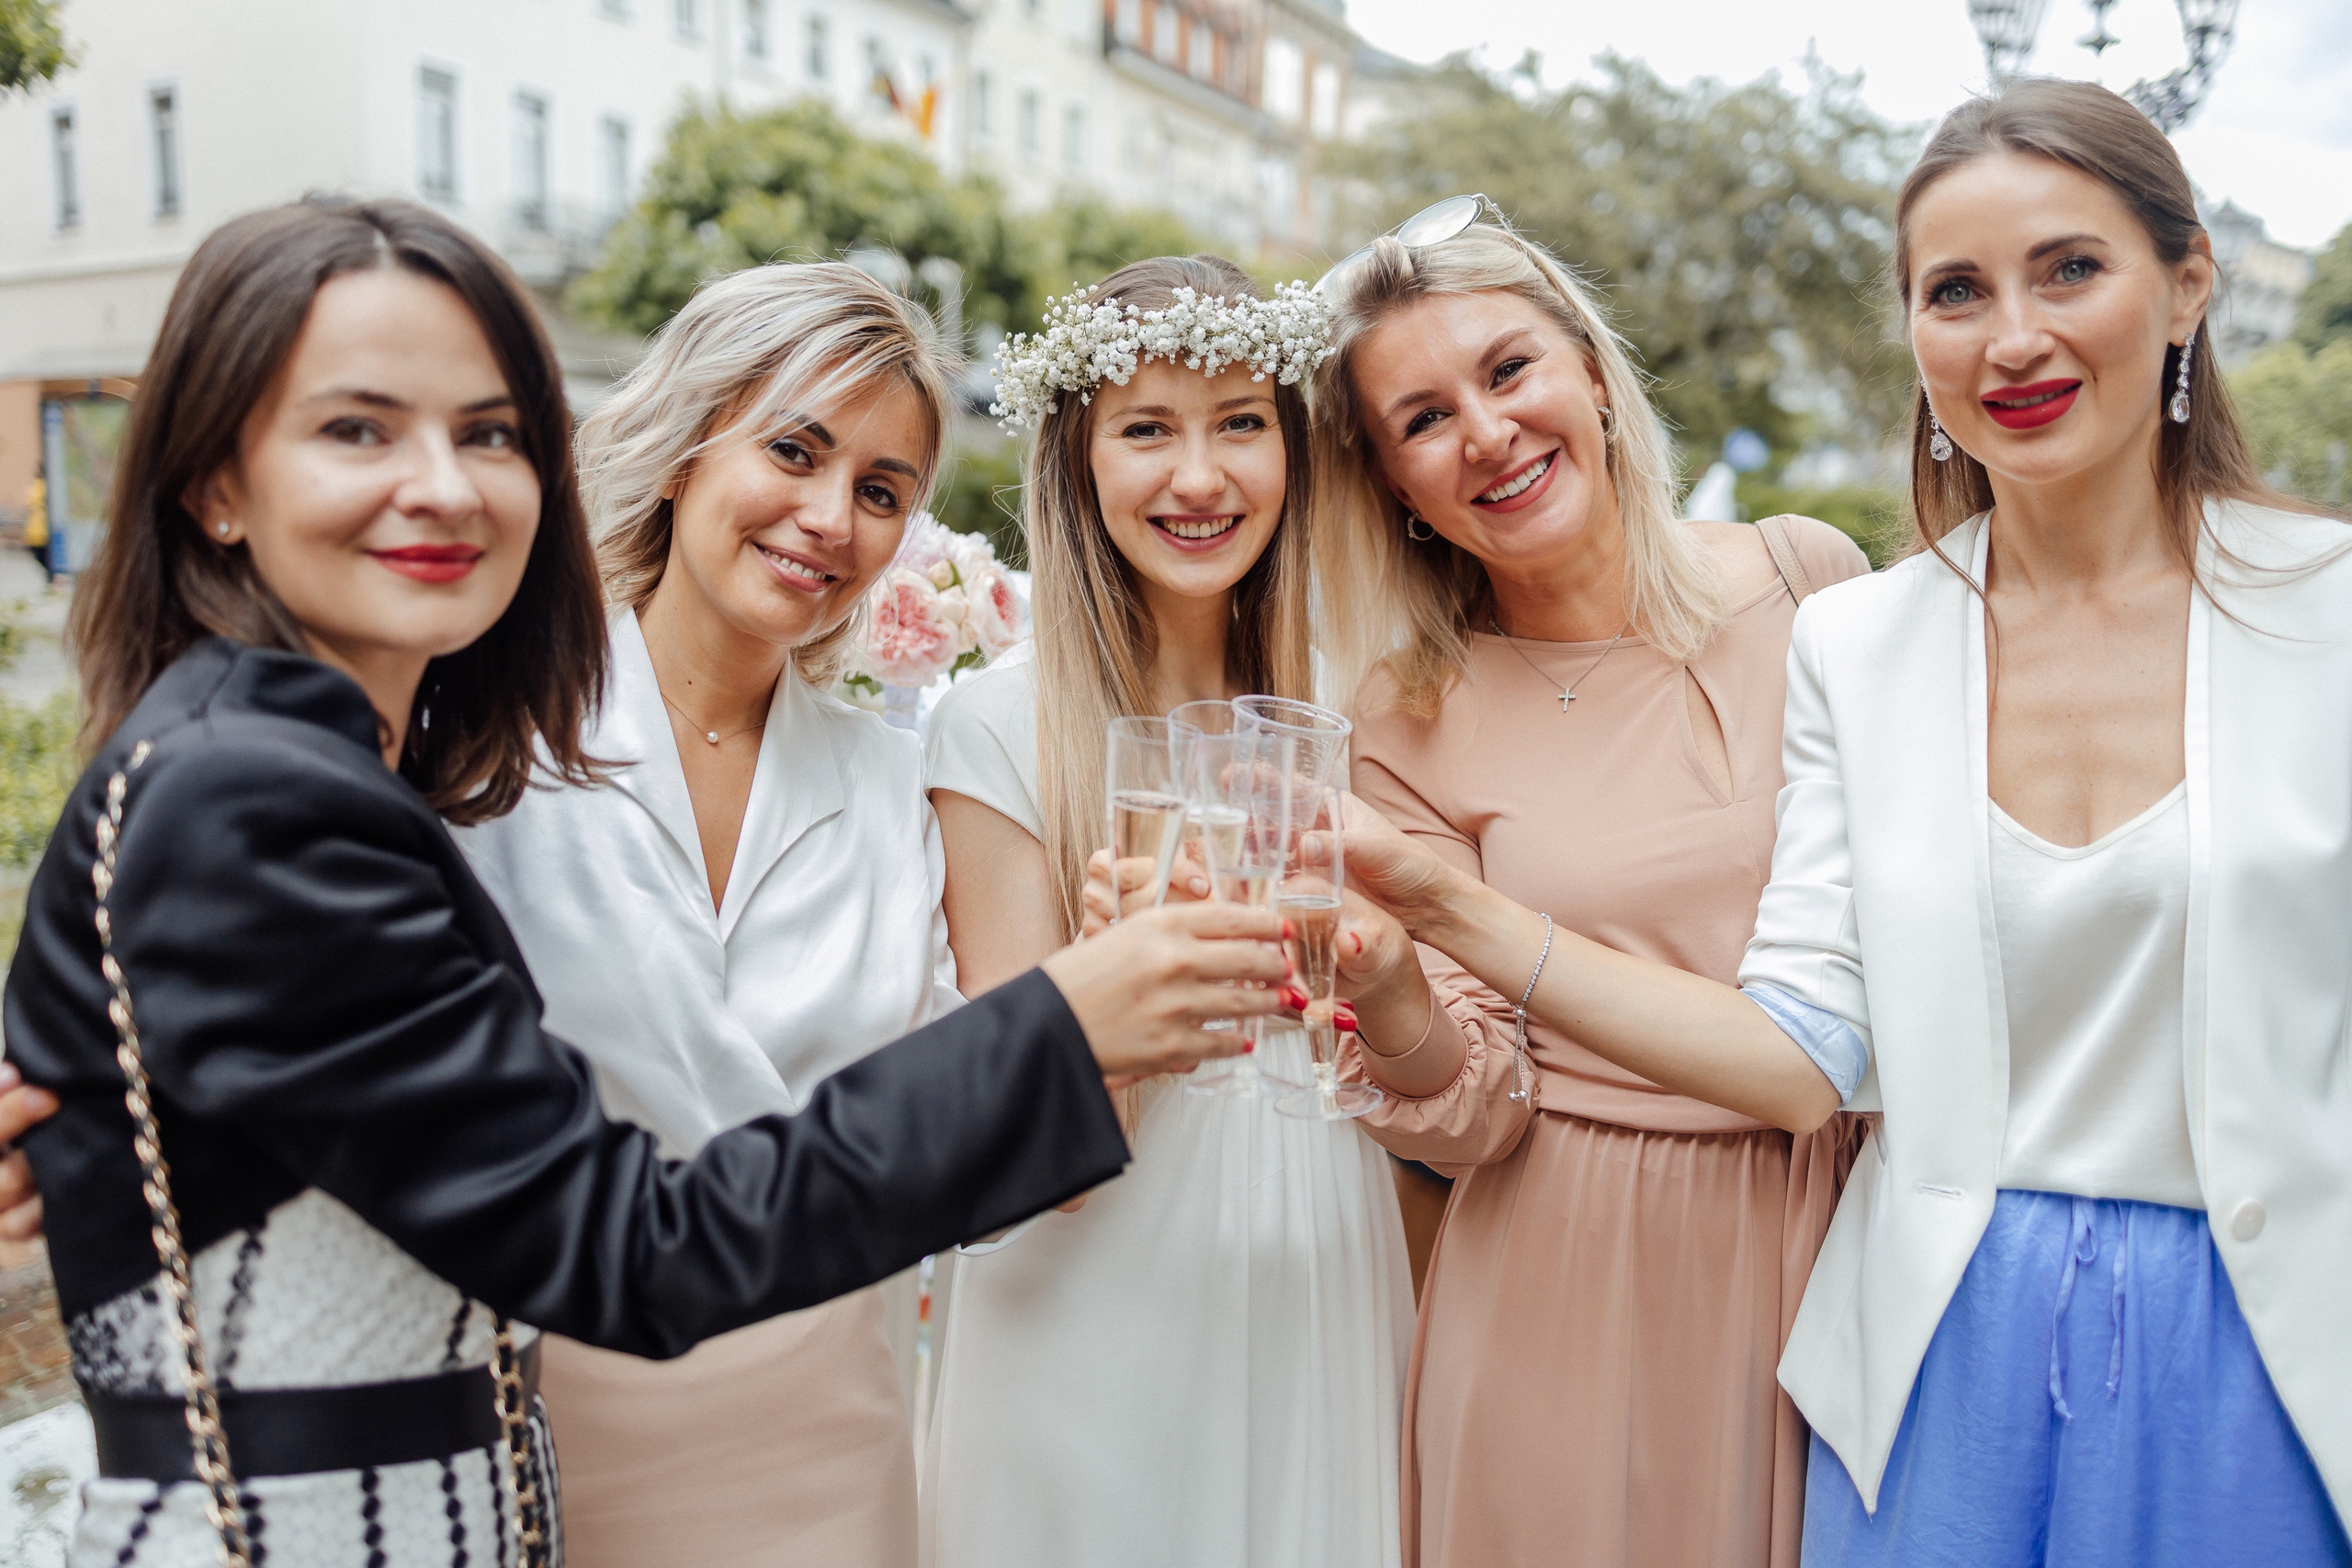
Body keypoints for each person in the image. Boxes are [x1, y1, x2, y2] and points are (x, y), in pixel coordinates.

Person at [1, 196, 1283, 1568]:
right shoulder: (354, 776)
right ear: (216, 482)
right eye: (358, 429)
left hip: (752, 1461)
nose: (440, 484)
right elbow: (620, 1236)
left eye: (489, 434)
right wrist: (1065, 1028)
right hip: (487, 1457)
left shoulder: (861, 771)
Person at [1326, 82, 2352, 1565]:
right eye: (1955, 291)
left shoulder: (2314, 613)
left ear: (2189, 282)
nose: (2012, 336)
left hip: (2263, 1336)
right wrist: (1418, 935)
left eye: (2070, 268)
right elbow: (1806, 1037)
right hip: (1920, 1335)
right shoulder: (1869, 644)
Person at [1283, 205, 1873, 1568]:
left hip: (1844, 1224)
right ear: (1392, 488)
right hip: (1571, 1268)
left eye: (1508, 372)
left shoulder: (1809, 579)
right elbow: (1475, 1111)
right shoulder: (1405, 716)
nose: (1485, 434)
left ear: (1593, 376)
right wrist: (1384, 994)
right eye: (1422, 421)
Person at [453, 262, 962, 1566]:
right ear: (687, 448)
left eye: (881, 491)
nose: (829, 517)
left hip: (830, 1452)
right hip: (543, 1435)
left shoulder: (896, 783)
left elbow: (954, 1121)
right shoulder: (490, 738)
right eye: (793, 449)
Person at [922, 254, 1413, 1568]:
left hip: (1319, 1255)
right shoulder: (992, 729)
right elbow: (1043, 1183)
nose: (1200, 480)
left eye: (1241, 423)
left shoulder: (1357, 705)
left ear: (1295, 451)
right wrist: (1112, 990)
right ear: (1078, 462)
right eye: (1147, 429)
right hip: (1096, 1293)